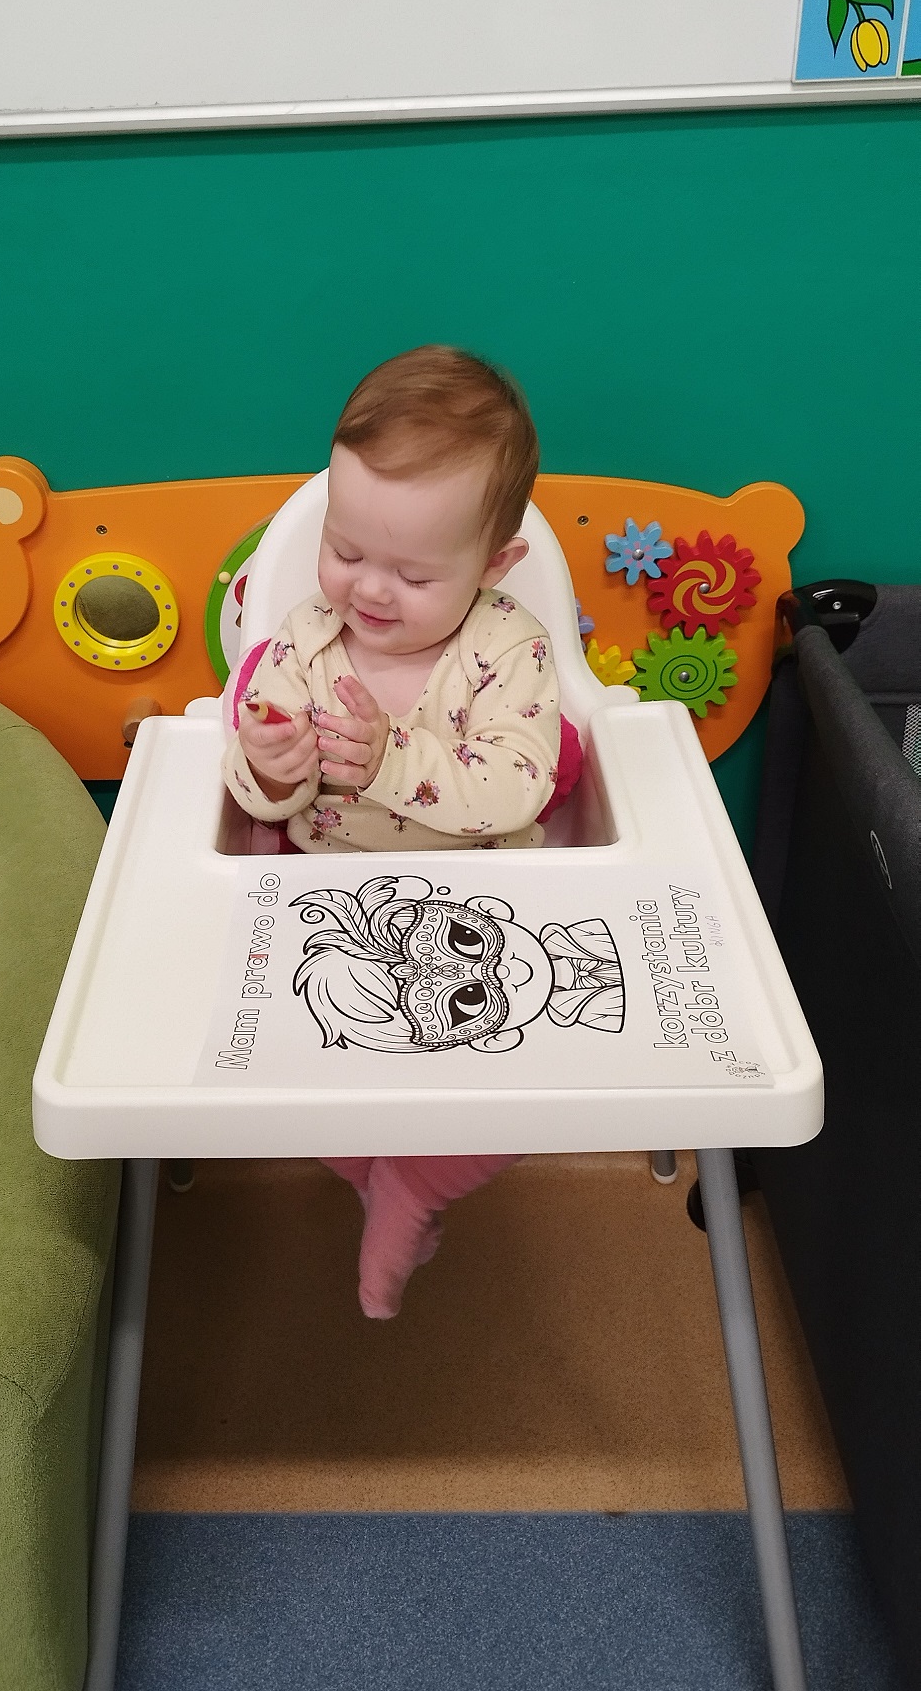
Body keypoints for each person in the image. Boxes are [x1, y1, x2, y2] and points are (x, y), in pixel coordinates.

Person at [222, 344, 565, 1318]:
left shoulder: (508, 647)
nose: (369, 590)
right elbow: (255, 792)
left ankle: (413, 1182)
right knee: (281, 1067)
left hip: (484, 913)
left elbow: (516, 785)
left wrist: (388, 761)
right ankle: (372, 1171)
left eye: (412, 573)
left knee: (544, 1075)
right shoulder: (303, 640)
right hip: (330, 907)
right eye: (345, 550)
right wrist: (270, 765)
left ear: (494, 566)